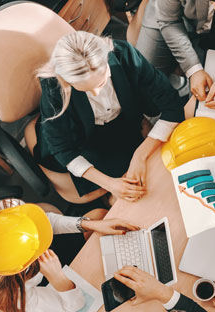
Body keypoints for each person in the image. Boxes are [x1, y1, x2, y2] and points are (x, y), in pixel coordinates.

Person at [35, 31, 186, 201]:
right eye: (85, 89)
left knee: (155, 173)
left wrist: (140, 155)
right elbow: (62, 148)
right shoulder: (53, 86)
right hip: (82, 140)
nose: (97, 93)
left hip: (123, 124)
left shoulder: (124, 54)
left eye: (101, 82)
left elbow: (172, 104)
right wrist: (109, 184)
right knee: (133, 190)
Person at [0, 199, 138, 312]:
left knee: (100, 215)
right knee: (99, 275)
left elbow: (45, 222)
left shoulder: (0, 214)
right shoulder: (5, 294)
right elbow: (74, 305)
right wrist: (57, 276)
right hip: (49, 279)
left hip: (50, 250)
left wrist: (90, 225)